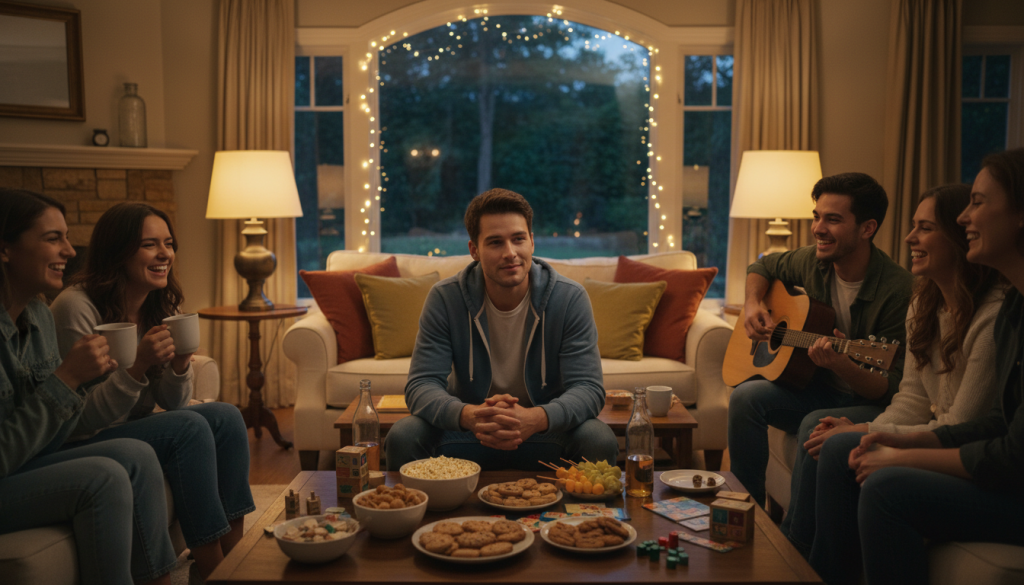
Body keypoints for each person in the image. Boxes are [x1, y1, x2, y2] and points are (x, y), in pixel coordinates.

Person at [808, 149, 1024, 585]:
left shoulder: (998, 312)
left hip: (1004, 478)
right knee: (823, 435)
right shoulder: (933, 303)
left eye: (978, 203)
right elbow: (924, 400)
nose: (965, 218)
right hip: (968, 445)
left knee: (883, 486)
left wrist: (892, 447)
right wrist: (881, 434)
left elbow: (998, 443)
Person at [779, 184, 1003, 558]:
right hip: (930, 431)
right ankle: (802, 557)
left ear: (960, 237)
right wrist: (867, 428)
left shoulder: (992, 317)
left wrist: (867, 431)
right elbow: (912, 399)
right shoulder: (924, 304)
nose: (909, 237)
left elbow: (959, 426)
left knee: (838, 445)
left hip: (961, 452)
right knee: (815, 430)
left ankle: (805, 562)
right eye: (913, 226)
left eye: (925, 228)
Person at [49, 202, 254, 580]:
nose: (165, 254)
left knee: (225, 416)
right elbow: (81, 419)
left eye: (169, 243)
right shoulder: (76, 307)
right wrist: (138, 366)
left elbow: (172, 402)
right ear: (118, 251)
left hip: (131, 426)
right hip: (84, 438)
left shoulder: (158, 302)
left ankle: (236, 557)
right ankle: (215, 571)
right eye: (149, 245)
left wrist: (180, 365)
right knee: (188, 428)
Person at [0, 189, 176, 585]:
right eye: (53, 238)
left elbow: (56, 437)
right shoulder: (70, 307)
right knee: (104, 476)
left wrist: (73, 386)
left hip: (29, 462)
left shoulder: (38, 315)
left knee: (136, 453)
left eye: (66, 237)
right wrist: (67, 380)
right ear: (5, 249)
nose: (69, 250)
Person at [384, 188, 618, 470]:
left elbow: (588, 388)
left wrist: (536, 418)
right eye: (495, 242)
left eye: (518, 239)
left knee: (598, 439)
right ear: (474, 250)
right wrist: (471, 416)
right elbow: (421, 385)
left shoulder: (569, 298)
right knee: (404, 435)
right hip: (471, 432)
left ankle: (578, 504)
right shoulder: (445, 298)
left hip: (544, 432)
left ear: (532, 242)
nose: (510, 253)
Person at [728, 172, 915, 507]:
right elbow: (763, 266)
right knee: (745, 397)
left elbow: (889, 388)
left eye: (833, 219)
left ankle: (795, 535)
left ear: (867, 228)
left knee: (814, 425)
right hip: (817, 386)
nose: (817, 228)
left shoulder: (899, 291)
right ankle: (744, 510)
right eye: (817, 216)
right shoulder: (813, 261)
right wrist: (753, 304)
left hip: (865, 401)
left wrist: (843, 366)